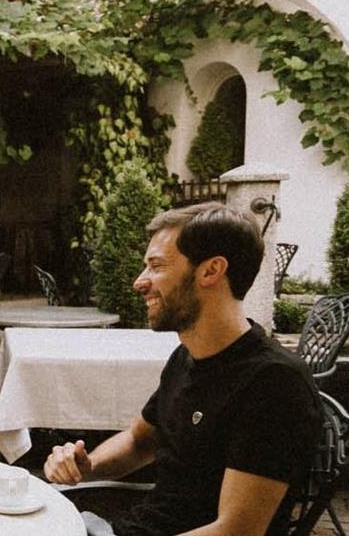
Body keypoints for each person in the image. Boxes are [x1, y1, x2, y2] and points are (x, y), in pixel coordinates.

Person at [43, 202, 321, 536]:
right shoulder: (187, 356)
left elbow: (237, 531)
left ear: (211, 271)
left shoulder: (274, 384)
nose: (139, 282)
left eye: (156, 266)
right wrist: (87, 466)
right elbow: (139, 442)